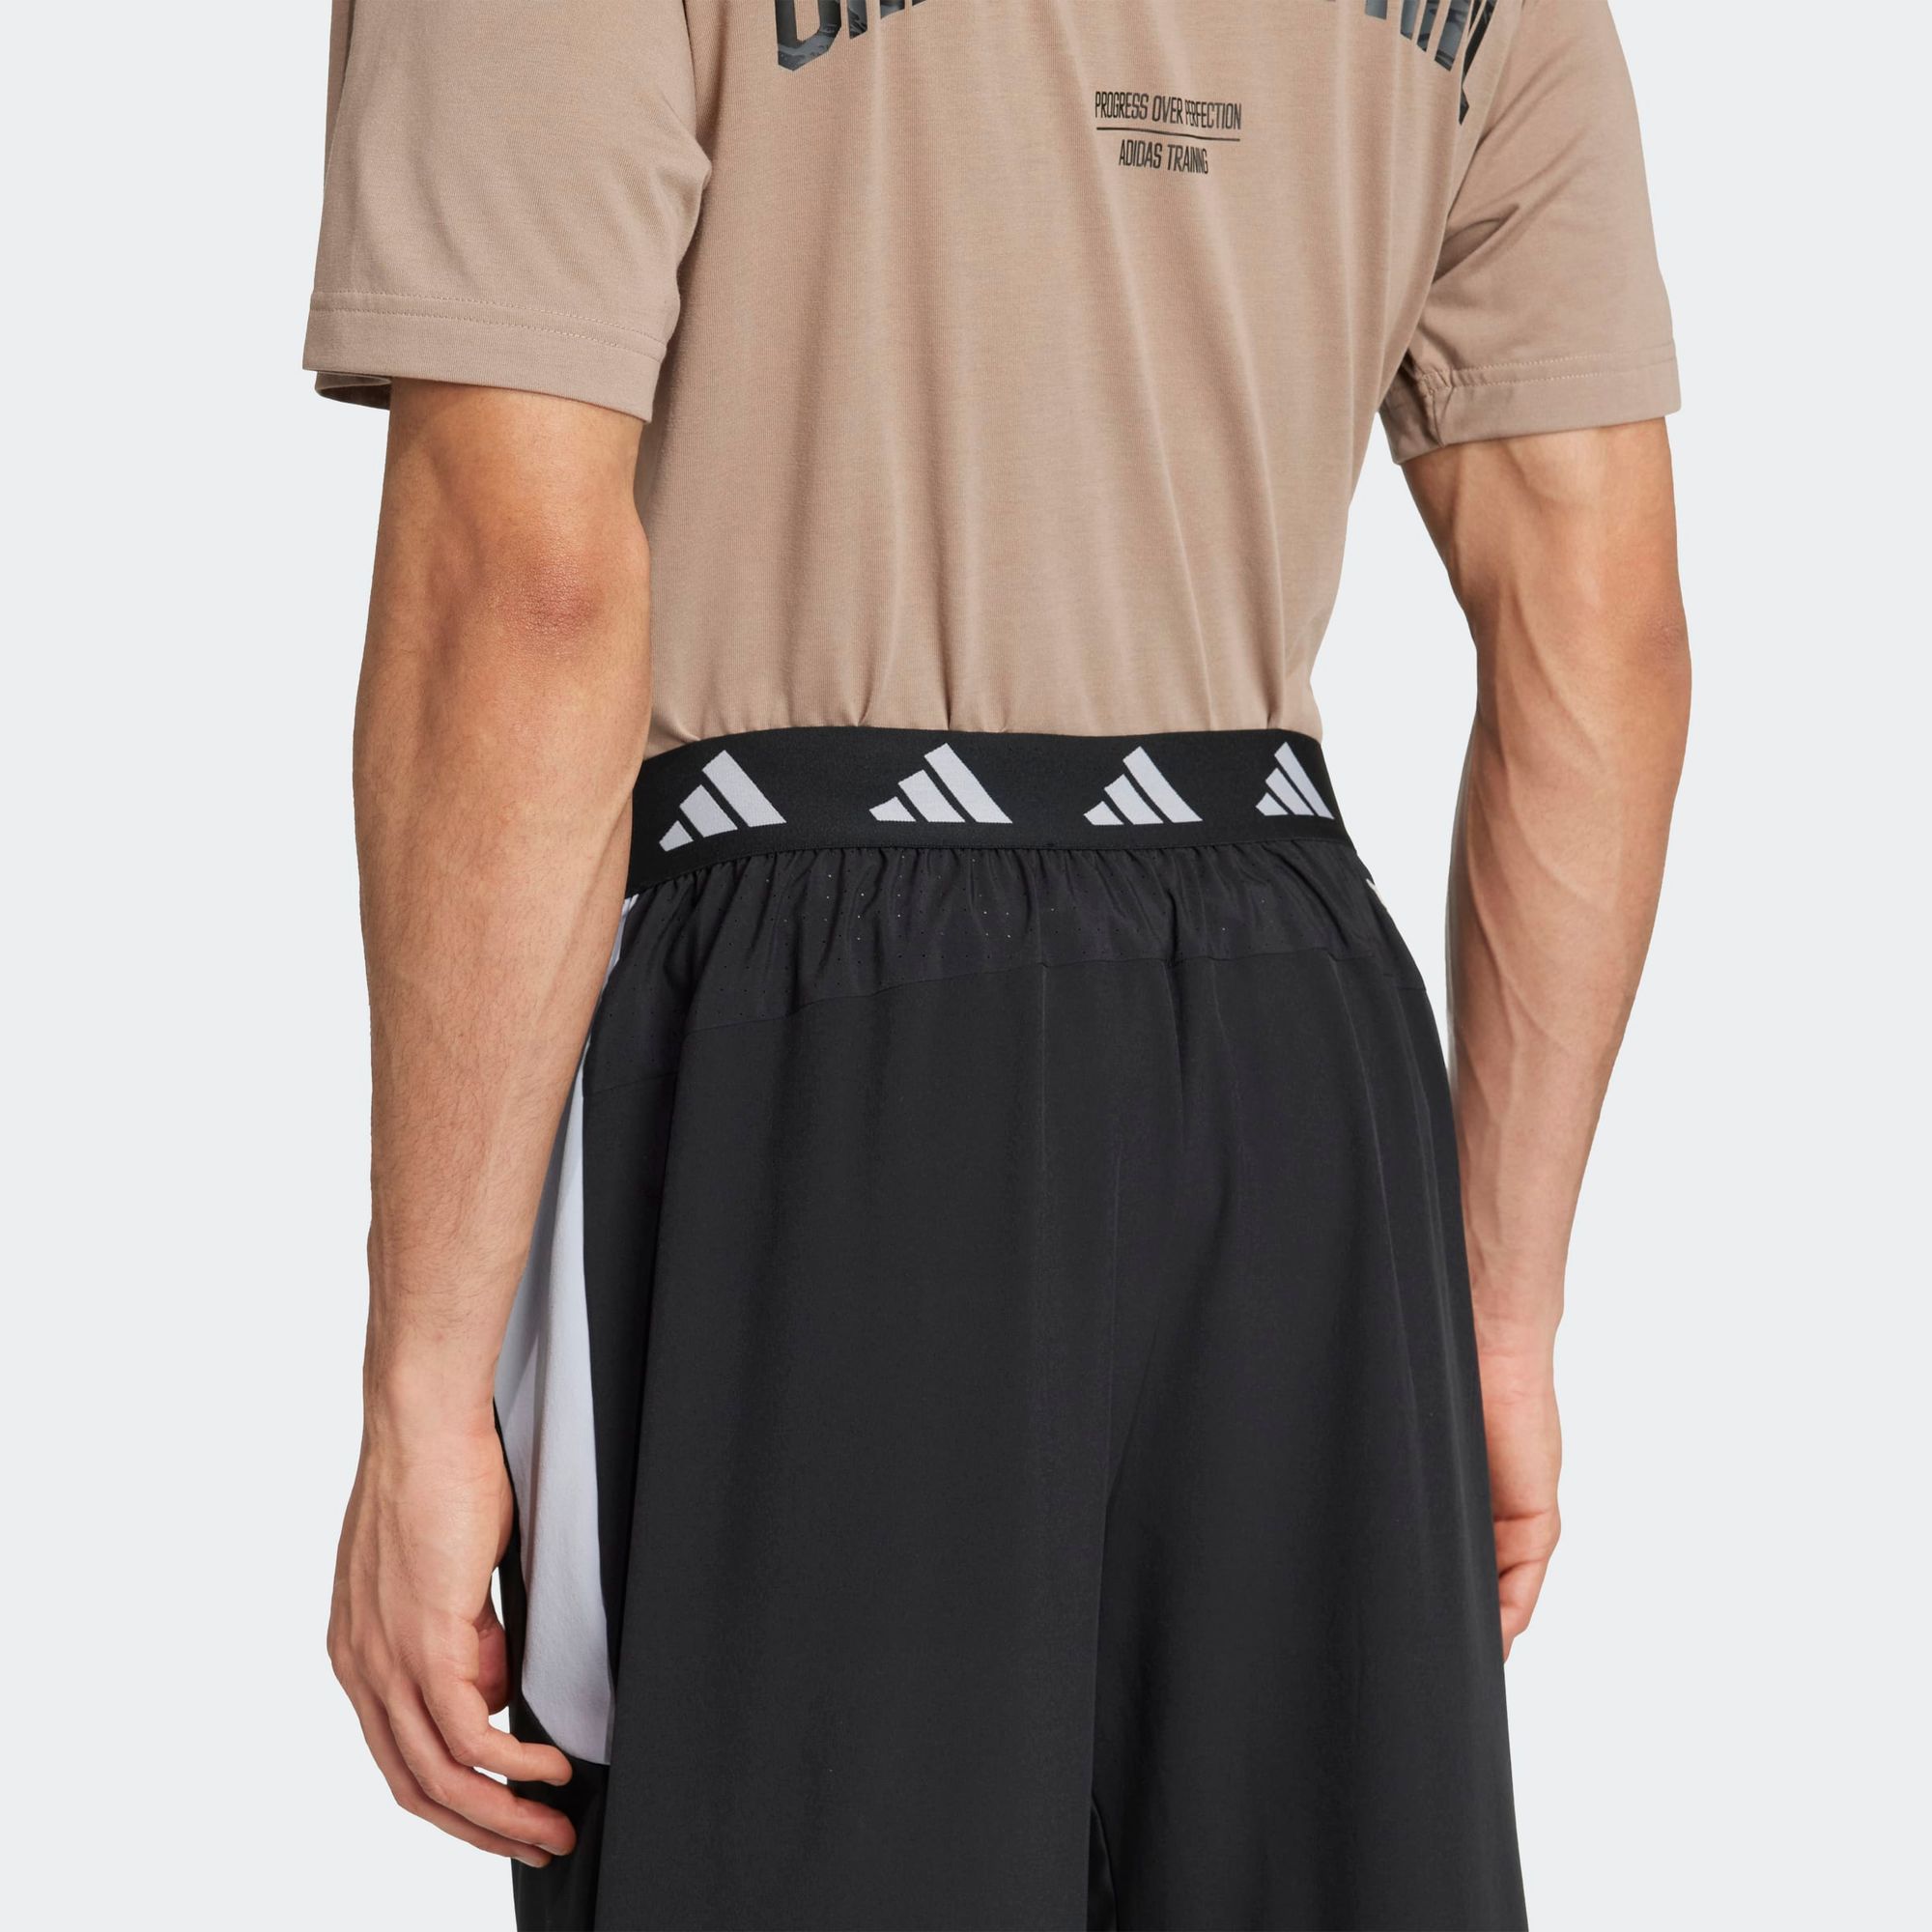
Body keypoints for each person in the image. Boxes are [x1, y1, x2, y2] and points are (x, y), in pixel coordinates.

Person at [306, 3, 1687, 1926]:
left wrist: (425, 1384)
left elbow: (520, 584)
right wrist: (1499, 1317)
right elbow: (1598, 623)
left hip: (816, 1041)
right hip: (1298, 1039)